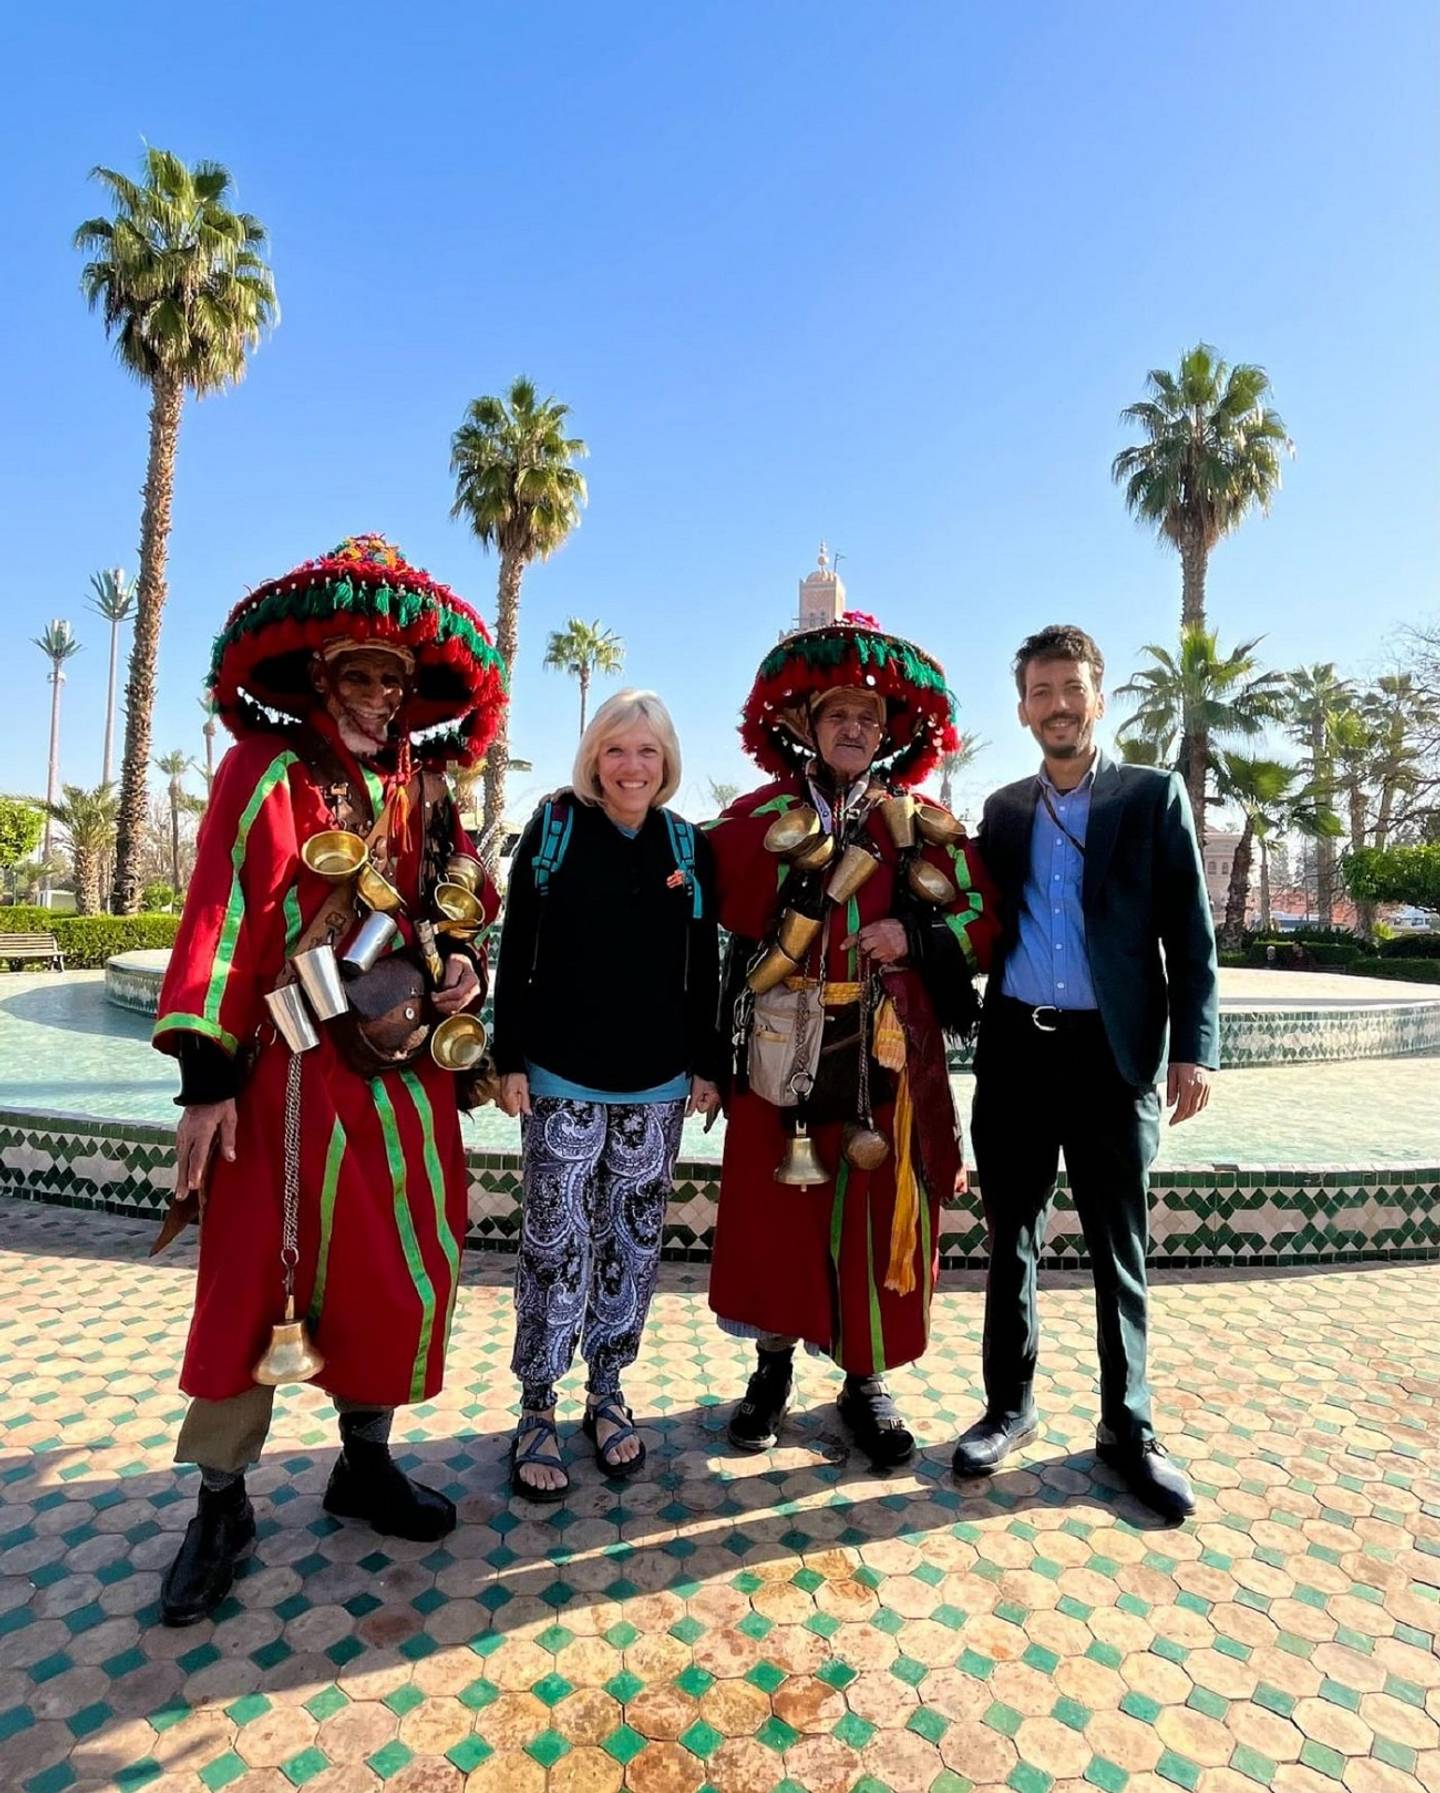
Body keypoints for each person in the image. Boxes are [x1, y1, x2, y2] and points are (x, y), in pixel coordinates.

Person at [151, 535, 506, 1624]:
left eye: (396, 678)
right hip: (286, 1077)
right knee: (251, 1283)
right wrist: (207, 1076)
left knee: (397, 1267)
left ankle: (364, 1460)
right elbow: (221, 911)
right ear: (321, 676)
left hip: (401, 1077)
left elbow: (455, 905)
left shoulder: (425, 787)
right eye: (362, 673)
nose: (382, 694)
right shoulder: (265, 771)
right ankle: (221, 1504)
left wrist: (461, 964)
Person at [706, 614, 998, 1467]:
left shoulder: (922, 822)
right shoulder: (759, 817)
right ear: (804, 725)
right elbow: (708, 894)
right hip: (780, 1045)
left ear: (889, 733)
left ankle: (866, 1378)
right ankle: (771, 1370)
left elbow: (985, 918)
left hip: (887, 1054)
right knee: (779, 1215)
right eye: (837, 713)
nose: (853, 728)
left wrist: (916, 935)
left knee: (876, 1212)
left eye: (869, 718)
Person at [952, 624, 1218, 1521]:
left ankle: (1127, 1428)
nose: (1058, 705)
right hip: (1018, 1052)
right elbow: (972, 917)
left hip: (1113, 1055)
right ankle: (1008, 1407)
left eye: (1072, 688)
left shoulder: (1151, 796)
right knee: (1011, 1240)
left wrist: (1193, 1047)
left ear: (1099, 698)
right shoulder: (1004, 809)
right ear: (1023, 708)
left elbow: (1190, 933)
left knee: (1119, 1247)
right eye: (1042, 691)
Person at [492, 690, 722, 1498]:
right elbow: (515, 946)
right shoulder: (554, 829)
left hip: (656, 1082)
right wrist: (508, 1058)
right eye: (616, 749)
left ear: (667, 762)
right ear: (594, 757)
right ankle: (537, 1405)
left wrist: (708, 1065)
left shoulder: (687, 845)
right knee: (554, 1244)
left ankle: (607, 1391)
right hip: (561, 1075)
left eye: (647, 751)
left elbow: (705, 963)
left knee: (631, 1241)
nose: (632, 766)